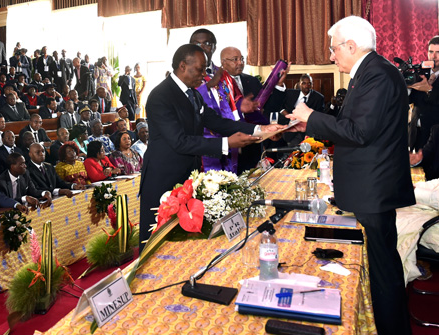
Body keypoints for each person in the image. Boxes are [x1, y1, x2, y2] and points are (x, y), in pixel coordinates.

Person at [286, 16, 415, 334]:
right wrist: (311, 123)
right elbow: (353, 124)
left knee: (383, 269)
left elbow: (359, 132)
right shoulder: (368, 73)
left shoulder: (377, 75)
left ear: (351, 46)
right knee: (378, 266)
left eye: (333, 50)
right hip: (371, 185)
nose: (331, 57)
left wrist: (311, 115)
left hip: (374, 187)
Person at [139, 44, 283, 254]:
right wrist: (226, 144)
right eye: (200, 69)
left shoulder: (194, 95)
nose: (205, 75)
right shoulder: (160, 96)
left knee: (183, 240)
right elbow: (180, 141)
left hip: (187, 177)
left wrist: (260, 129)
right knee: (157, 241)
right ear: (182, 66)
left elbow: (218, 123)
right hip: (162, 177)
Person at [408, 36, 439, 151]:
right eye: (431, 52)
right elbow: (408, 100)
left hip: (436, 138)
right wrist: (407, 87)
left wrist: (428, 89)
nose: (433, 56)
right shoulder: (419, 73)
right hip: (416, 135)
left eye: (438, 52)